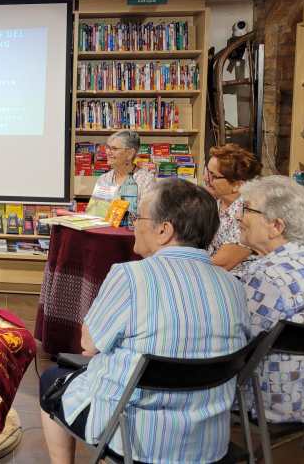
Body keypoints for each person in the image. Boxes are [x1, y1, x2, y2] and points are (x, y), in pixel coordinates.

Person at [40, 178, 250, 464]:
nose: (134, 224)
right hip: (208, 444)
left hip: (134, 438)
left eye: (138, 217)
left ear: (164, 230)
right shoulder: (233, 286)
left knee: (51, 380)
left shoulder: (130, 276)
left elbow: (89, 344)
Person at [236, 175, 304, 423]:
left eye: (247, 209)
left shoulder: (266, 276)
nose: (238, 217)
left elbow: (237, 344)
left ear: (276, 226)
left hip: (272, 402)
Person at [203, 143, 262, 274]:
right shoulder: (215, 202)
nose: (205, 178)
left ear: (237, 185)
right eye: (207, 171)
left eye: (213, 176)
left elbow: (222, 264)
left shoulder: (249, 213)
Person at [90, 130, 154, 210]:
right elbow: (96, 212)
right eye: (108, 148)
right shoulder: (104, 179)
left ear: (130, 153)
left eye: (114, 149)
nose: (108, 152)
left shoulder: (146, 180)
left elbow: (148, 214)